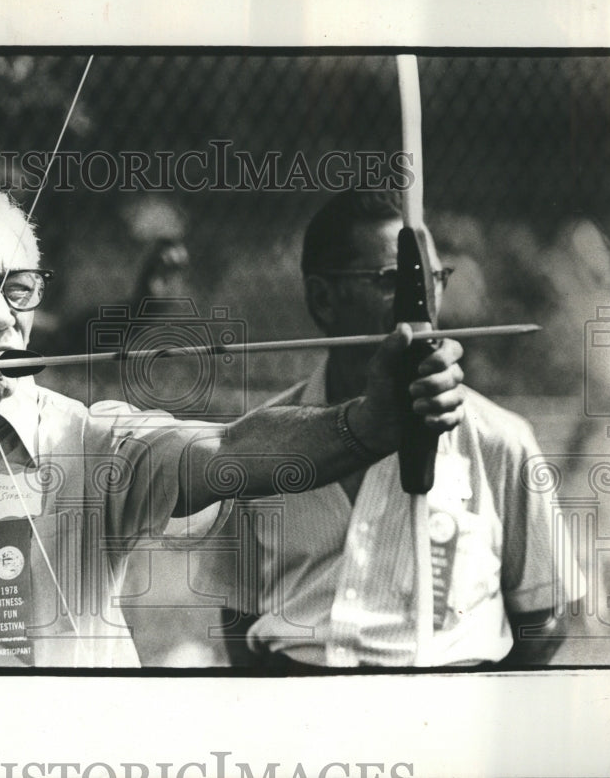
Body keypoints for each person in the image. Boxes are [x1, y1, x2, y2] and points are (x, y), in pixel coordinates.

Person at [0, 183, 465, 668]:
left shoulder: (89, 440)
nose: (3, 318)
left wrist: (368, 423)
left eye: (20, 289)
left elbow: (227, 451)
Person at [210, 189, 584, 670]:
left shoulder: (500, 440)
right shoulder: (261, 445)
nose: (423, 300)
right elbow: (238, 618)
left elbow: (544, 619)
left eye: (434, 278)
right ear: (323, 299)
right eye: (393, 280)